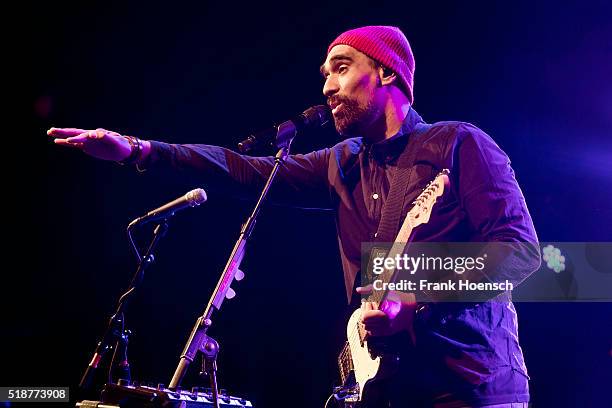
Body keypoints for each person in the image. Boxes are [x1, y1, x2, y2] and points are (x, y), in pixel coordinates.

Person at [49, 26, 540, 407]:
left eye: (341, 68)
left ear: (387, 73)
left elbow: (522, 254)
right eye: (325, 73)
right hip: (386, 389)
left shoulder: (459, 143)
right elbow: (240, 169)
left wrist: (420, 298)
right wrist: (140, 149)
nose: (327, 85)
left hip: (469, 385)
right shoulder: (342, 162)